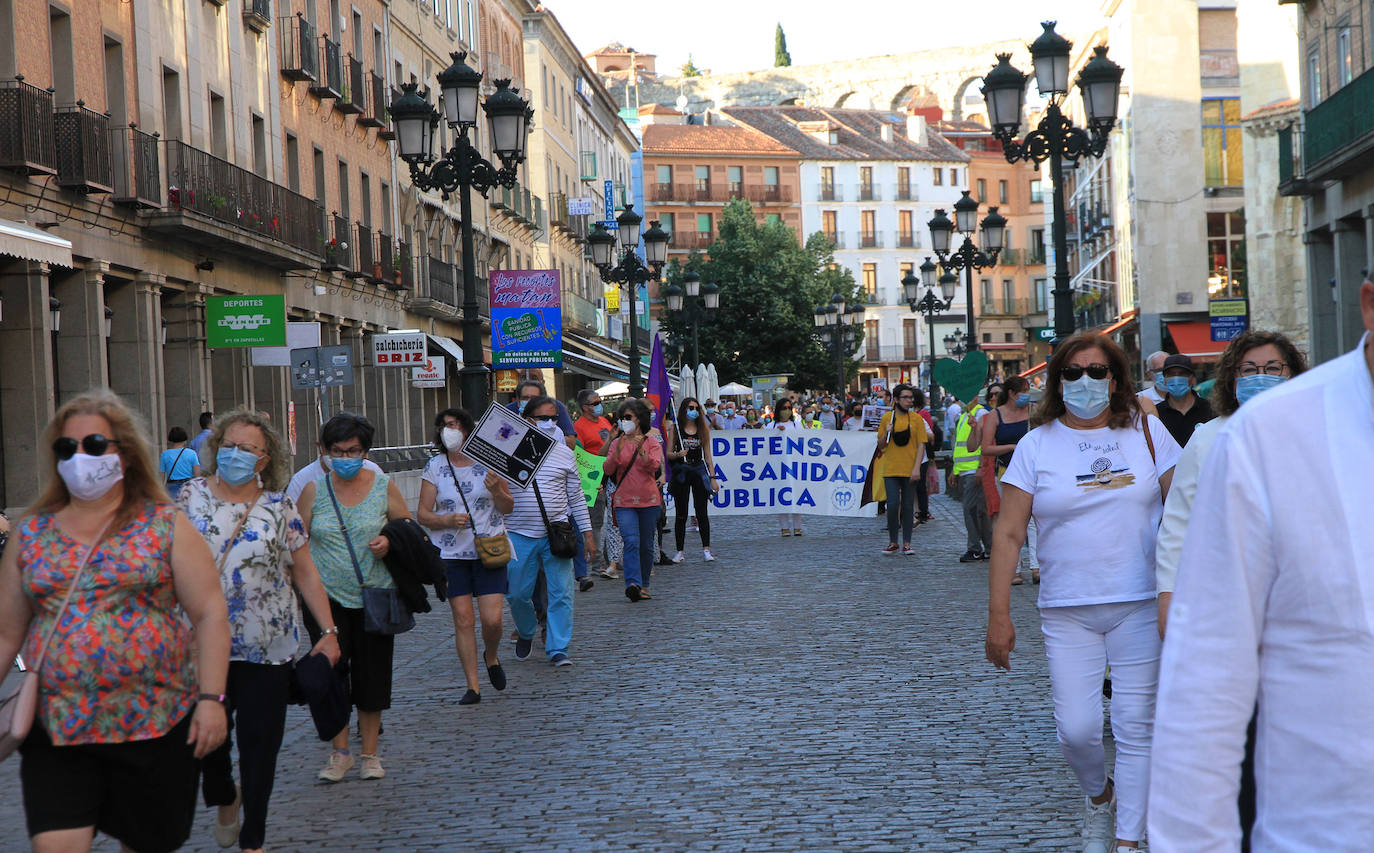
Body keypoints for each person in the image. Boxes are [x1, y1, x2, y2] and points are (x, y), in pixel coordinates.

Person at [1147, 279, 1373, 850]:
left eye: (1274, 367)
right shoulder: (1252, 437)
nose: (1262, 377)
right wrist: (1168, 594)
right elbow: (1206, 679)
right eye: (1253, 368)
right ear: (1368, 303)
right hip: (1324, 823)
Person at [0, 390, 230, 853]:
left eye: (94, 445)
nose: (79, 458)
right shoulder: (32, 532)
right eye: (67, 448)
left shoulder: (165, 524)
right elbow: (7, 632)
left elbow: (208, 612)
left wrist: (211, 699)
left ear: (124, 453)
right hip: (59, 725)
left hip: (154, 723)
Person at [986, 333, 1181, 853]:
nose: (1086, 382)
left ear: (1115, 379)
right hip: (1067, 609)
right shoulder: (1036, 444)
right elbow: (1007, 534)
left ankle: (1128, 839)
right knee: (1077, 730)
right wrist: (998, 616)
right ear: (1057, 382)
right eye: (1073, 373)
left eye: (1097, 372)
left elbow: (1187, 511)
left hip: (1140, 603)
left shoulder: (1148, 433)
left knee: (1136, 727)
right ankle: (1099, 797)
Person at [178, 408, 341, 853]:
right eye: (229, 446)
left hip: (266, 645)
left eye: (247, 448)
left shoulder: (279, 507)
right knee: (208, 745)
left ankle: (254, 839)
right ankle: (223, 794)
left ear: (265, 459)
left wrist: (328, 631)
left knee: (260, 746)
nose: (236, 454)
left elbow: (305, 573)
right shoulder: (188, 498)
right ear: (215, 448)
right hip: (198, 646)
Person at [295, 413, 412, 783]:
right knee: (330, 676)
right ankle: (340, 752)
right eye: (338, 451)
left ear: (365, 451)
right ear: (326, 453)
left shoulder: (383, 485)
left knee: (372, 676)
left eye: (353, 450)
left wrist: (390, 540)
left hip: (374, 596)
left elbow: (407, 528)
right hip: (325, 600)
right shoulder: (314, 490)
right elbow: (295, 544)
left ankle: (370, 754)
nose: (345, 457)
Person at [416, 408, 513, 707]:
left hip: (489, 548)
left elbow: (508, 507)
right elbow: (422, 513)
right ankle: (473, 685)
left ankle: (492, 655)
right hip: (451, 554)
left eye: (453, 424)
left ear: (468, 428)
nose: (447, 430)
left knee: (493, 620)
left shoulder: (490, 463)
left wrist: (497, 490)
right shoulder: (435, 466)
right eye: (443, 425)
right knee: (463, 618)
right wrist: (445, 521)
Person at [504, 396, 595, 666]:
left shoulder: (565, 453)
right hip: (518, 533)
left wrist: (588, 533)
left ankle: (558, 648)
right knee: (517, 594)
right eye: (543, 418)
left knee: (561, 592)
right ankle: (527, 630)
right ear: (527, 420)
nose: (550, 423)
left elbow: (576, 496)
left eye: (553, 418)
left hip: (557, 531)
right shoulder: (508, 452)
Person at [602, 399, 664, 602]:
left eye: (628, 417)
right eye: (622, 418)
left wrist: (642, 451)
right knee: (631, 541)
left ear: (639, 420)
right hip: (624, 500)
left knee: (646, 545)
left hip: (649, 500)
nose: (624, 421)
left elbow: (654, 467)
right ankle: (632, 583)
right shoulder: (616, 443)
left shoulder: (651, 441)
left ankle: (644, 584)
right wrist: (617, 450)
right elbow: (608, 470)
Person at [978, 377, 1038, 584]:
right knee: (1013, 520)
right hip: (1007, 471)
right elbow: (986, 448)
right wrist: (1013, 447)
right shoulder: (995, 416)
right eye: (1024, 390)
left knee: (1035, 520)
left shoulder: (1033, 411)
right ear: (1012, 393)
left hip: (1035, 471)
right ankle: (1015, 569)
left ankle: (1037, 566)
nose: (1027, 394)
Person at [662, 397, 718, 563]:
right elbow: (668, 453)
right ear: (684, 410)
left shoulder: (703, 429)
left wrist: (713, 478)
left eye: (695, 408)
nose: (693, 411)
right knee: (681, 513)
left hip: (698, 470)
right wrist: (678, 455)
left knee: (702, 512)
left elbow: (708, 456)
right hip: (682, 471)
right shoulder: (676, 428)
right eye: (690, 407)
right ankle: (680, 551)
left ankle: (706, 549)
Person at [874, 384, 927, 556]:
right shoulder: (887, 418)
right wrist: (885, 434)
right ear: (896, 400)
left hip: (910, 468)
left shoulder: (917, 419)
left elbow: (921, 445)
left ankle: (907, 543)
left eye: (911, 397)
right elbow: (881, 445)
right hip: (890, 468)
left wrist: (917, 468)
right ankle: (892, 541)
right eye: (905, 397)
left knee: (907, 506)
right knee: (893, 504)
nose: (909, 400)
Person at [571, 389, 614, 592]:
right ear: (585, 407)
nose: (599, 405)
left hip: (609, 476)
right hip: (591, 481)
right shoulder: (578, 427)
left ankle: (609, 559)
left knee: (612, 521)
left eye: (599, 401)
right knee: (594, 523)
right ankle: (595, 566)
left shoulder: (604, 422)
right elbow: (579, 455)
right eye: (595, 402)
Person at [952, 393, 991, 562]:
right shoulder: (965, 415)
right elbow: (959, 446)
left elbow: (984, 442)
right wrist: (955, 470)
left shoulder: (980, 413)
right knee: (977, 511)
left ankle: (976, 548)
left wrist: (980, 468)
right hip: (965, 470)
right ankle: (988, 548)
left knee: (971, 511)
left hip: (974, 470)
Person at [286, 443, 383, 504]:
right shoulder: (301, 481)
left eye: (352, 450)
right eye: (336, 450)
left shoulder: (374, 472)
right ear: (320, 447)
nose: (344, 457)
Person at [1155, 353, 1215, 447]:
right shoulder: (1156, 414)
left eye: (1182, 374)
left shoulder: (1210, 409)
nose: (1176, 378)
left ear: (1192, 379)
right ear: (1165, 380)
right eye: (1171, 374)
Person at [507, 380, 577, 449]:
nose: (529, 402)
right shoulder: (507, 427)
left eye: (534, 398)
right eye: (525, 398)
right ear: (518, 402)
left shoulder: (555, 432)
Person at [159, 426, 202, 500]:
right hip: (188, 486)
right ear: (184, 438)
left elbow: (161, 476)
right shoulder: (192, 453)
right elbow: (197, 473)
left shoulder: (165, 455)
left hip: (171, 487)